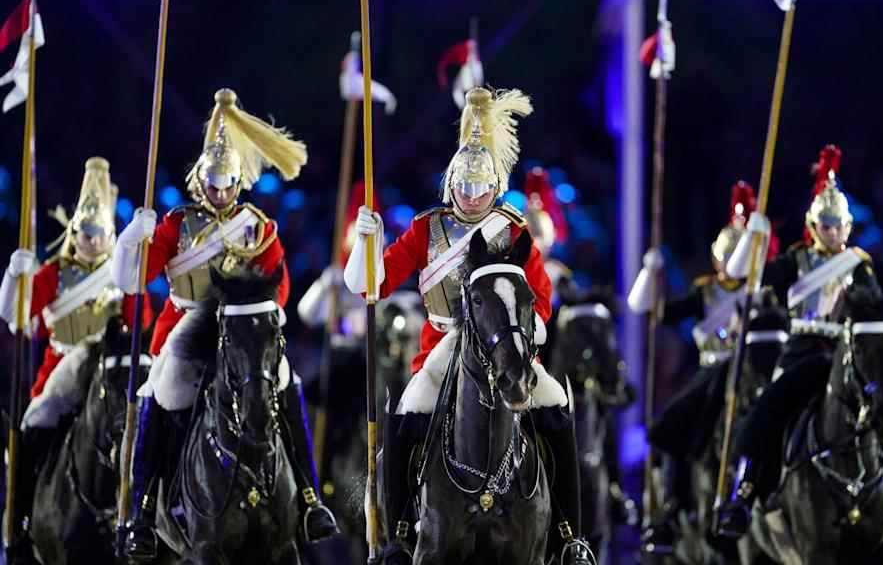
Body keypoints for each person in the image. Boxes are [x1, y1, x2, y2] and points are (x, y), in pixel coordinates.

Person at [344, 87, 596, 564]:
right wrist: (365, 242)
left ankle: (569, 534)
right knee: (408, 412)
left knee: (557, 406)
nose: (473, 195)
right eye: (465, 186)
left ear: (494, 186)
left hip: (507, 345)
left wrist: (525, 336)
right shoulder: (427, 229)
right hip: (443, 345)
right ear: (451, 183)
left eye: (482, 188)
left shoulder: (513, 230)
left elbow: (540, 298)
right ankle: (399, 532)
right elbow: (369, 285)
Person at [112, 88, 337, 559]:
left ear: (239, 183)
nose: (219, 192)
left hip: (244, 330)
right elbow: (134, 281)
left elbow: (280, 284)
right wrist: (135, 237)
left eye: (227, 184)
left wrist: (265, 313)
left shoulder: (258, 226)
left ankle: (311, 498)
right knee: (163, 390)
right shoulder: (177, 225)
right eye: (213, 184)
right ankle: (144, 507)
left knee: (285, 381)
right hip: (186, 330)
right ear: (201, 182)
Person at [714, 145, 883, 539]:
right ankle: (745, 495)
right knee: (771, 410)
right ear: (813, 225)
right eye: (827, 226)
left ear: (848, 226)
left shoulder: (859, 264)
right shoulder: (794, 261)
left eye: (839, 226)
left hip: (846, 354)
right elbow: (741, 280)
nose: (833, 233)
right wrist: (753, 239)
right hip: (802, 351)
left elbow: (875, 312)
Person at [0, 157, 152, 563]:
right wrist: (15, 278)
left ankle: (150, 519)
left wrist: (134, 273)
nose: (94, 241)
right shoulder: (54, 273)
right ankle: (18, 523)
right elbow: (15, 316)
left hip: (108, 372)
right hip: (62, 375)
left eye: (101, 233)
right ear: (74, 230)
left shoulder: (121, 276)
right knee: (29, 432)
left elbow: (143, 324)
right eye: (87, 232)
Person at [629, 181, 769, 552]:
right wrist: (650, 272)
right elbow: (655, 312)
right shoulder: (705, 292)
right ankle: (672, 509)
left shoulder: (762, 290)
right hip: (712, 373)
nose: (728, 264)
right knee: (673, 426)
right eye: (724, 257)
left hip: (753, 370)